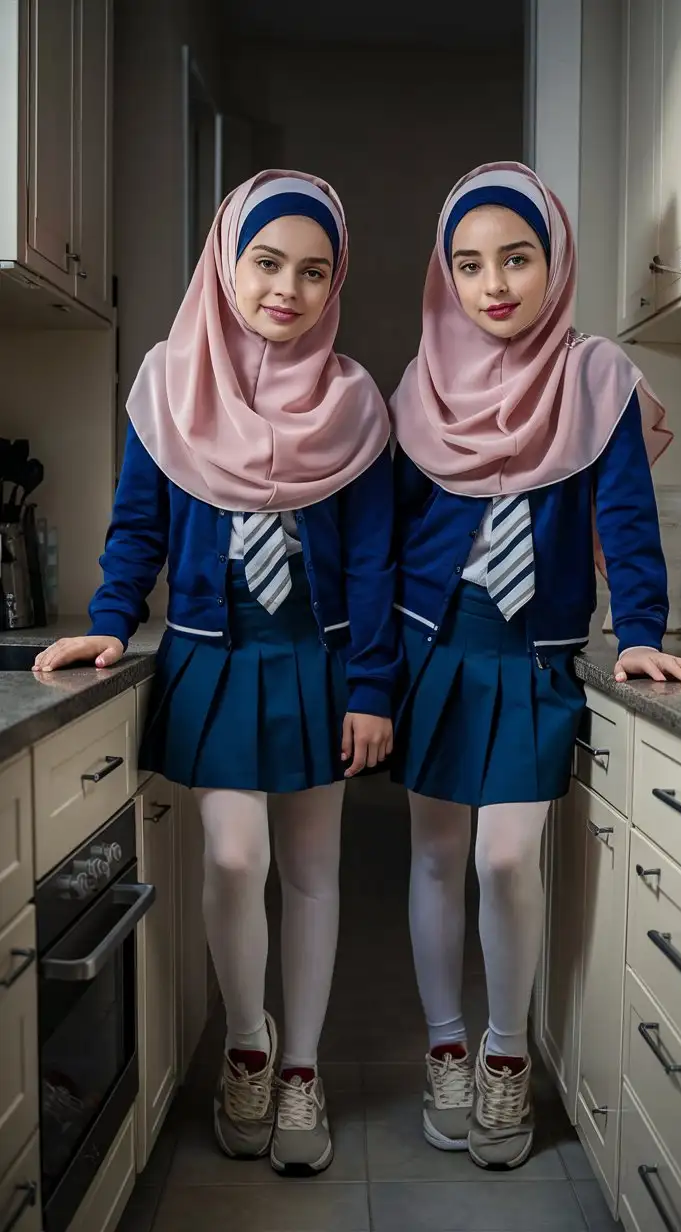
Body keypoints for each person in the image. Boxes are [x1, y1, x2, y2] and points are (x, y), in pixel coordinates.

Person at [34, 170, 399, 1177]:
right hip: (213, 653)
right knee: (237, 856)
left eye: (315, 272)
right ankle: (250, 1040)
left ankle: (304, 1070)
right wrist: (111, 623)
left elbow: (374, 557)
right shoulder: (166, 378)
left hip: (318, 655)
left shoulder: (357, 399)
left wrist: (372, 683)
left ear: (337, 283)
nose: (289, 288)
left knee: (316, 868)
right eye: (268, 262)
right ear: (225, 261)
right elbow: (138, 525)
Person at [388, 162, 681, 1171]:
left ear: (553, 261)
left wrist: (643, 628)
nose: (495, 282)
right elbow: (388, 535)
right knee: (439, 855)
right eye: (471, 262)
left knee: (504, 856)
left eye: (516, 257)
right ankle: (445, 1042)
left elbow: (622, 512)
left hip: (534, 660)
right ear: (446, 275)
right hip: (428, 649)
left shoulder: (597, 375)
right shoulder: (417, 387)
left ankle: (506, 1051)